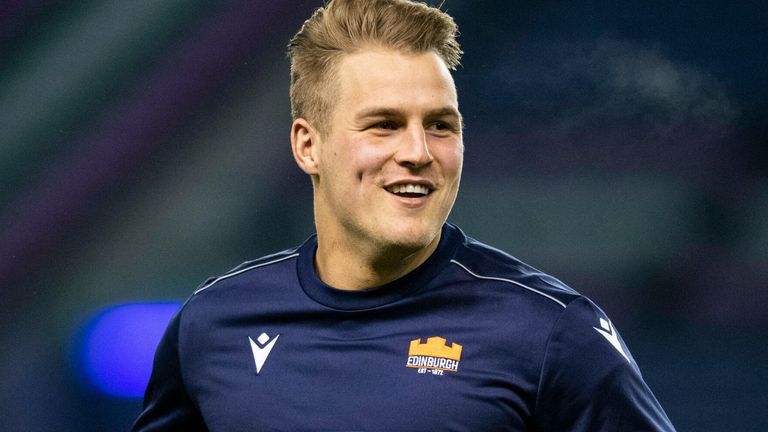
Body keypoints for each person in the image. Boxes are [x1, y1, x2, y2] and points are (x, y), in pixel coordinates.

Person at [133, 0, 676, 430]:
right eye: (384, 124)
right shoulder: (213, 324)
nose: (419, 151)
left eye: (441, 125)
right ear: (307, 146)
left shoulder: (551, 332)